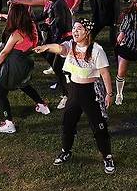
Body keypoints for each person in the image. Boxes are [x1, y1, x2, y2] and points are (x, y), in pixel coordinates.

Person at [33, 21, 115, 175]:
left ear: (87, 32)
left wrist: (109, 94)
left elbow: (104, 73)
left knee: (99, 126)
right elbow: (60, 48)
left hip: (91, 93)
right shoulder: (71, 45)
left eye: (79, 29)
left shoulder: (97, 50)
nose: (75, 31)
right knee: (68, 123)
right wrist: (46, 47)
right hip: (74, 91)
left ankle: (107, 156)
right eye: (74, 28)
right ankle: (66, 151)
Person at [0, 4, 50, 134]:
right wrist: (2, 15)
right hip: (27, 61)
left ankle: (9, 123)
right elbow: (14, 18)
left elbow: (4, 53)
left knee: (1, 90)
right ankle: (42, 106)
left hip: (15, 64)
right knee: (23, 84)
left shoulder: (17, 34)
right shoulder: (32, 26)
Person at [13, 0, 73, 109]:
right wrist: (28, 20)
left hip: (63, 41)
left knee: (59, 66)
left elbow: (60, 22)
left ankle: (67, 94)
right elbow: (43, 16)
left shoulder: (59, 4)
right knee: (54, 63)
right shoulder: (53, 3)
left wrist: (47, 26)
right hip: (56, 39)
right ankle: (65, 86)